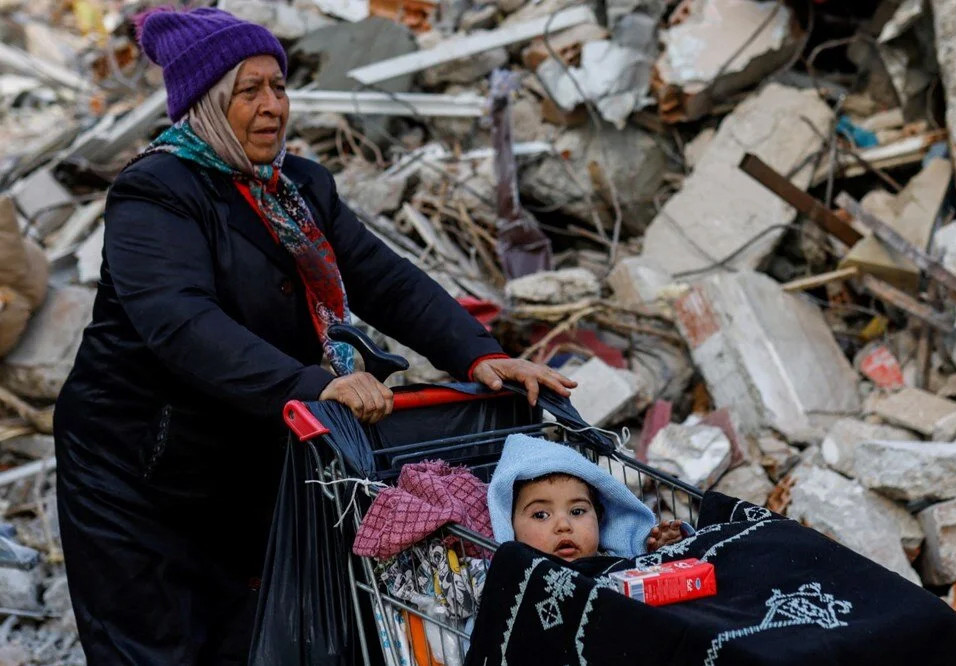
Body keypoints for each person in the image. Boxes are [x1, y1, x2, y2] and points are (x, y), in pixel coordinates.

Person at [52, 7, 574, 665]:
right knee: (162, 644)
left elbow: (384, 278)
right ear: (206, 103)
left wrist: (482, 355)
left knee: (258, 632)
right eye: (249, 91)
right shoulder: (155, 193)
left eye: (279, 86)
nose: (273, 106)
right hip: (138, 468)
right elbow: (181, 323)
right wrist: (316, 383)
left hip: (242, 451)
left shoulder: (295, 187)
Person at [487, 435, 687, 562]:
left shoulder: (616, 562)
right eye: (540, 515)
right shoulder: (514, 585)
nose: (563, 525)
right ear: (510, 526)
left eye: (577, 511)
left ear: (599, 517)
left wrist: (657, 552)